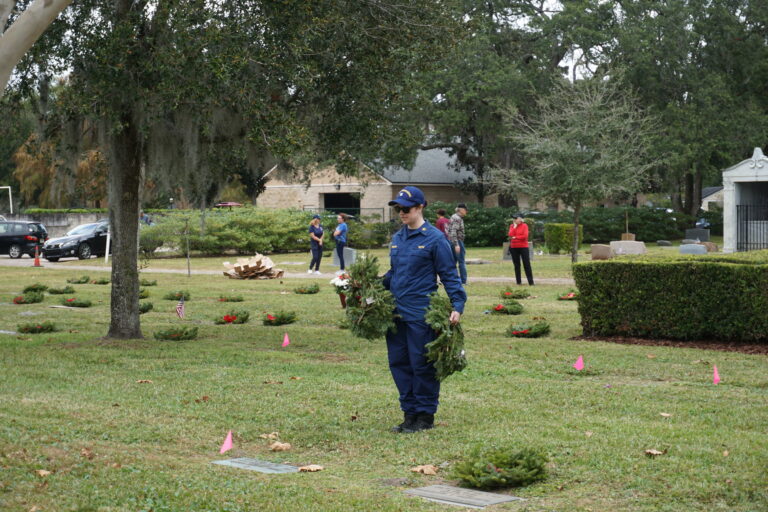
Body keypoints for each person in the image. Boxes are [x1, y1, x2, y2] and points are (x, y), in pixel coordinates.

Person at [383, 186, 466, 434]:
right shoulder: (398, 239)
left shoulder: (435, 239)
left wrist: (457, 305)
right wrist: (366, 287)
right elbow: (393, 274)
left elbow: (450, 275)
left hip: (421, 313)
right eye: (398, 209)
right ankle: (409, 414)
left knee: (421, 365)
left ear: (420, 207)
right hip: (396, 313)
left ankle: (425, 416)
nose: (401, 213)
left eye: (406, 209)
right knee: (399, 363)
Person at [508, 214, 534, 285]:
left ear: (520, 219)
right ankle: (518, 282)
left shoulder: (524, 225)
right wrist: (514, 227)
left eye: (517, 218)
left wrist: (515, 237)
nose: (515, 220)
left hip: (523, 247)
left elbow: (525, 236)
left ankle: (530, 282)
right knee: (516, 265)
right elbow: (510, 234)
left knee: (527, 264)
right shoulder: (512, 226)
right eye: (515, 219)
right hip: (514, 247)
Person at [447, 203, 468, 285]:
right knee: (461, 262)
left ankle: (451, 279)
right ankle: (463, 281)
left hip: (453, 241)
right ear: (461, 210)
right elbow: (453, 232)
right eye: (465, 210)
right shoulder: (457, 218)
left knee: (452, 262)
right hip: (457, 241)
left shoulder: (454, 217)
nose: (466, 211)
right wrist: (456, 244)